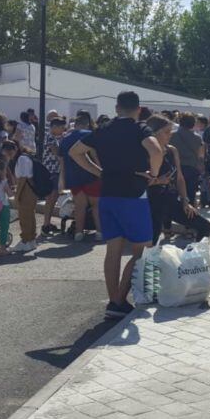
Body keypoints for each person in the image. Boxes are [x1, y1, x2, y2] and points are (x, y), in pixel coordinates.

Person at [69, 91, 163, 319]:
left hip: (108, 194)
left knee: (113, 250)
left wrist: (98, 171)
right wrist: (154, 174)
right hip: (133, 195)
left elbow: (75, 152)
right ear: (138, 109)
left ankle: (114, 300)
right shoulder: (140, 128)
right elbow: (156, 150)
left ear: (117, 108)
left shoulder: (103, 129)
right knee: (143, 250)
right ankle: (119, 298)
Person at [144, 116, 210, 245]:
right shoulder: (146, 152)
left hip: (170, 199)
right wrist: (158, 181)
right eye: (166, 132)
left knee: (204, 226)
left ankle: (195, 261)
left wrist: (185, 201)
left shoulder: (172, 150)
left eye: (170, 131)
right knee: (152, 242)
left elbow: (179, 177)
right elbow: (137, 181)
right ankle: (145, 264)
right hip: (151, 202)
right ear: (154, 133)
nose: (170, 135)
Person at [60, 111, 101, 241]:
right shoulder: (90, 135)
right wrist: (101, 172)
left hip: (73, 177)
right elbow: (95, 156)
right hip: (92, 176)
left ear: (75, 125)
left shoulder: (65, 140)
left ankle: (79, 233)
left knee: (79, 205)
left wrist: (63, 180)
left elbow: (62, 163)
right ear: (87, 124)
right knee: (96, 205)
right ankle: (100, 232)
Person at [3, 140, 39, 254]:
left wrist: (17, 195)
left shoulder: (22, 159)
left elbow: (23, 178)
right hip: (31, 189)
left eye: (9, 152)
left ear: (14, 150)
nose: (8, 155)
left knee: (24, 216)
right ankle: (31, 240)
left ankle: (26, 241)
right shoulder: (25, 157)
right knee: (30, 215)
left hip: (26, 189)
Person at [170, 113, 205, 206]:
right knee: (190, 194)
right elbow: (201, 154)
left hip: (175, 168)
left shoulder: (171, 136)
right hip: (191, 167)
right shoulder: (197, 137)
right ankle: (190, 215)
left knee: (174, 195)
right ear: (193, 124)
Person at [40, 118, 65, 235]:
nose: (62, 130)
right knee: (51, 198)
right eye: (61, 127)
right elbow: (57, 154)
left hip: (53, 170)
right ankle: (45, 225)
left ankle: (47, 223)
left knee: (52, 199)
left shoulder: (53, 137)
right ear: (55, 126)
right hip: (51, 171)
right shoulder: (49, 137)